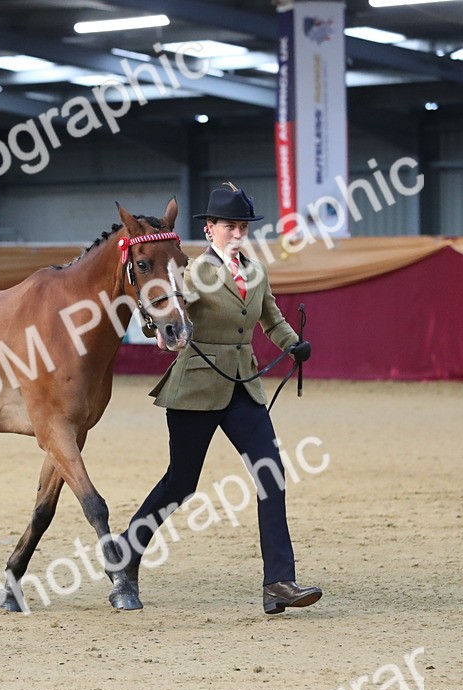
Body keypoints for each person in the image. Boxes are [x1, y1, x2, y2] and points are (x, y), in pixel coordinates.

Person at [107, 183, 321, 615]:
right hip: (197, 387)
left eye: (243, 226)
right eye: (230, 226)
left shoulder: (256, 272)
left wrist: (293, 344)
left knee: (271, 474)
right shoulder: (190, 274)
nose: (237, 232)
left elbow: (271, 319)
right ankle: (126, 555)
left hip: (244, 386)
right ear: (210, 230)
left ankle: (279, 581)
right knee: (180, 483)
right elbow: (169, 314)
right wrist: (165, 331)